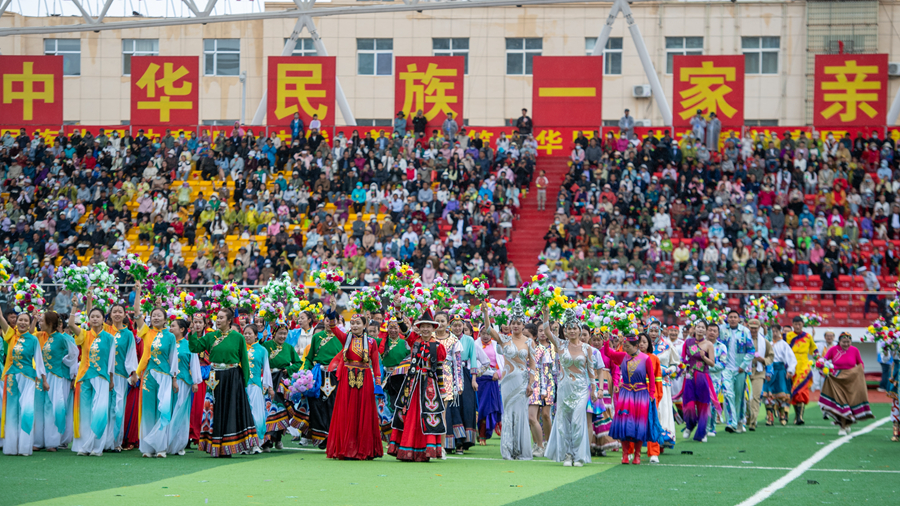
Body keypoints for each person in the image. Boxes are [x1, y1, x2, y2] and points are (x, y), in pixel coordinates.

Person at [188, 308, 259, 457]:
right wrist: (194, 332)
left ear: (229, 321)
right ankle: (215, 446)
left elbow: (244, 361)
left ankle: (229, 447)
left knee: (231, 410)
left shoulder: (238, 337)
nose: (218, 320)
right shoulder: (210, 336)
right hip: (214, 376)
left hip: (233, 377)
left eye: (221, 318)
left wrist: (244, 383)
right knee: (215, 409)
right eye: (217, 318)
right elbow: (194, 347)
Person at [324, 300, 384, 460]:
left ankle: (364, 449)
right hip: (347, 379)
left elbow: (376, 364)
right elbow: (333, 328)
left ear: (364, 325)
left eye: (358, 323)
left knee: (363, 413)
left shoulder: (371, 342)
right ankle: (346, 448)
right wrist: (332, 311)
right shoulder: (346, 338)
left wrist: (378, 383)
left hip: (365, 379)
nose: (355, 326)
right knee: (346, 413)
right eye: (353, 323)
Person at [387, 309, 447, 462]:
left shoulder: (438, 346)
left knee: (427, 416)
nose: (425, 329)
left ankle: (424, 451)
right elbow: (405, 330)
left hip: (429, 386)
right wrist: (399, 315)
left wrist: (442, 389)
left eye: (428, 326)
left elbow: (439, 369)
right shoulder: (414, 340)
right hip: (412, 384)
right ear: (419, 328)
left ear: (434, 328)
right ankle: (406, 449)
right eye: (423, 326)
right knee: (409, 414)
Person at [542, 308, 598, 467]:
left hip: (581, 389)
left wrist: (593, 388)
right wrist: (546, 314)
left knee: (577, 422)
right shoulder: (560, 344)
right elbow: (546, 331)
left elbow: (590, 369)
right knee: (563, 423)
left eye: (575, 328)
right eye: (569, 328)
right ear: (565, 331)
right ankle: (567, 454)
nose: (572, 331)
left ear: (580, 330)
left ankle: (578, 456)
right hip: (565, 388)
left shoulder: (587, 348)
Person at [486, 300, 535, 460]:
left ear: (523, 326)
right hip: (507, 382)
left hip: (522, 382)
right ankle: (507, 450)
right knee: (508, 414)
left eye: (519, 323)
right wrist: (485, 312)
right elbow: (488, 329)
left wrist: (531, 384)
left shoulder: (529, 342)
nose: (515, 326)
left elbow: (533, 365)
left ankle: (520, 450)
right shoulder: (504, 339)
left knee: (520, 414)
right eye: (513, 323)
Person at [133, 293, 180, 459]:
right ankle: (147, 447)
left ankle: (161, 447)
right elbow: (137, 312)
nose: (156, 318)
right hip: (149, 376)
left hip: (166, 376)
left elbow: (174, 358)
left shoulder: (170, 336)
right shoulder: (146, 332)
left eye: (159, 315)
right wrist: (139, 292)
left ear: (165, 319)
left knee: (163, 409)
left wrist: (174, 379)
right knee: (148, 410)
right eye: (153, 315)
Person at [70, 301, 116, 456]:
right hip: (84, 376)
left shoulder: (109, 338)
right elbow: (71, 325)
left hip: (102, 376)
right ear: (88, 319)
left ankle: (96, 447)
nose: (95, 319)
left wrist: (111, 378)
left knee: (100, 410)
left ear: (103, 319)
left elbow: (111, 361)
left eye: (98, 316)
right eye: (92, 316)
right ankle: (84, 446)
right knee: (85, 411)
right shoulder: (84, 334)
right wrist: (74, 307)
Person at [610, 332, 663, 465]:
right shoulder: (623, 356)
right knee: (624, 424)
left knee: (640, 425)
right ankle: (625, 454)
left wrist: (651, 395)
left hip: (641, 395)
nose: (624, 347)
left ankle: (637, 456)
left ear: (635, 345)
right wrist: (607, 339)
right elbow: (608, 353)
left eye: (626, 345)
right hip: (626, 393)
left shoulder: (646, 358)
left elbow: (651, 378)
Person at [1, 311, 46, 456]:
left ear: (29, 323)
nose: (22, 322)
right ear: (16, 322)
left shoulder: (33, 339)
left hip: (28, 378)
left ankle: (24, 448)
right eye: (20, 320)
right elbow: (1, 319)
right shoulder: (10, 335)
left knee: (27, 411)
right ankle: (11, 448)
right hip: (12, 377)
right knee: (12, 412)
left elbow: (39, 360)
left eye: (26, 320)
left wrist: (43, 380)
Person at [34, 311, 78, 452]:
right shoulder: (46, 338)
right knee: (40, 407)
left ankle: (52, 442)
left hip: (55, 376)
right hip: (43, 376)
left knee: (52, 408)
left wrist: (64, 364)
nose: (39, 323)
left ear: (50, 323)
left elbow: (74, 353)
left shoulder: (61, 338)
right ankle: (38, 441)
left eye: (41, 321)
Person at [301, 312, 343, 449]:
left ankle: (332, 436)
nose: (329, 322)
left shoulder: (342, 338)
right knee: (316, 405)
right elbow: (309, 358)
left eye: (333, 320)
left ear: (337, 322)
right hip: (319, 375)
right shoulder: (317, 337)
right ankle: (322, 436)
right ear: (323, 321)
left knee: (333, 405)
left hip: (336, 376)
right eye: (327, 320)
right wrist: (306, 373)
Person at [438, 312, 478, 454]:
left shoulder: (468, 340)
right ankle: (450, 442)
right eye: (454, 325)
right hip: (446, 373)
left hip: (463, 374)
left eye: (460, 325)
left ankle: (463, 440)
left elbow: (473, 358)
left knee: (464, 407)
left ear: (463, 326)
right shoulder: (447, 338)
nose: (457, 328)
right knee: (449, 409)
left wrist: (473, 379)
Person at [260, 323, 304, 451]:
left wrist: (288, 369)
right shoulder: (266, 346)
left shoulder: (289, 347)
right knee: (269, 409)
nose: (283, 336)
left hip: (282, 381)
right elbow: (256, 352)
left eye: (285, 334)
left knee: (282, 409)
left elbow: (298, 362)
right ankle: (267, 441)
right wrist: (261, 339)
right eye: (280, 333)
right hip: (269, 379)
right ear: (274, 334)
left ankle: (278, 438)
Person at [820, 332, 874, 435]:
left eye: (848, 342)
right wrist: (823, 367)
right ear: (839, 341)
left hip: (851, 380)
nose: (846, 344)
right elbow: (825, 360)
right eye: (843, 342)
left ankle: (847, 424)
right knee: (840, 404)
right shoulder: (833, 350)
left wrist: (859, 372)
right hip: (836, 380)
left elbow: (860, 363)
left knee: (849, 404)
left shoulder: (855, 350)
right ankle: (842, 426)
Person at [679, 320, 718, 442]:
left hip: (702, 377)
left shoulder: (708, 344)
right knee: (689, 404)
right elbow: (682, 358)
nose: (700, 329)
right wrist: (683, 366)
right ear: (694, 328)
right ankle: (689, 426)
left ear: (706, 331)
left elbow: (712, 363)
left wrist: (703, 357)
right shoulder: (688, 342)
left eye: (703, 327)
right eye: (698, 327)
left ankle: (702, 433)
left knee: (703, 405)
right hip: (689, 376)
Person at [106, 304, 138, 452]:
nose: (117, 314)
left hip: (119, 375)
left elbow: (131, 355)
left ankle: (115, 442)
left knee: (118, 408)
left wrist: (133, 373)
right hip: (103, 376)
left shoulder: (128, 334)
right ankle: (102, 442)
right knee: (103, 408)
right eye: (115, 312)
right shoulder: (104, 331)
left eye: (120, 312)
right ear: (110, 314)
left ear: (125, 314)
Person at [167, 318, 201, 456]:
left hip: (183, 382)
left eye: (173, 326)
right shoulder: (168, 344)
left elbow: (194, 363)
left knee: (180, 411)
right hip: (167, 381)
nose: (170, 328)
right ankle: (166, 442)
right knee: (168, 410)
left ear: (182, 329)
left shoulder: (189, 345)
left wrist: (195, 381)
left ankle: (178, 444)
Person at [718, 310, 755, 433]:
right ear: (727, 319)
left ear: (739, 319)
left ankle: (740, 421)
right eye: (730, 317)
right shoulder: (721, 330)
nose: (733, 319)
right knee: (728, 395)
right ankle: (731, 422)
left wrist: (743, 365)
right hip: (725, 369)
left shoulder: (745, 331)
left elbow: (751, 351)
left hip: (740, 369)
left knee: (739, 397)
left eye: (735, 317)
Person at [648, 318, 679, 450]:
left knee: (663, 410)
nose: (654, 333)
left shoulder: (667, 346)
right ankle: (650, 440)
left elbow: (675, 364)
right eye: (651, 331)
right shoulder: (643, 346)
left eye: (656, 331)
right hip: (647, 385)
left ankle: (662, 439)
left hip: (663, 384)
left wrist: (668, 370)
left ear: (661, 331)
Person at [242, 324, 270, 456]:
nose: (247, 336)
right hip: (241, 387)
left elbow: (266, 368)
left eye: (249, 334)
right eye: (245, 333)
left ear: (255, 335)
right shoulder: (240, 349)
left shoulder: (262, 350)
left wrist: (267, 385)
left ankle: (257, 443)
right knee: (243, 415)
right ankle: (244, 445)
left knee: (257, 415)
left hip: (256, 386)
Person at [474, 322, 503, 445]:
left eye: (488, 333)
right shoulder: (475, 344)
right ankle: (476, 432)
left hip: (492, 380)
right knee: (478, 408)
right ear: (479, 334)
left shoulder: (497, 345)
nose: (485, 336)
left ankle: (483, 435)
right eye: (483, 333)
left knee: (488, 408)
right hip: (478, 380)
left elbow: (503, 362)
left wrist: (499, 373)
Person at [786, 315, 818, 425]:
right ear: (793, 325)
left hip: (804, 366)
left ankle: (800, 417)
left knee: (802, 391)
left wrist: (819, 359)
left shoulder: (808, 337)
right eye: (795, 324)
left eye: (799, 324)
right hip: (791, 365)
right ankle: (795, 416)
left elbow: (814, 349)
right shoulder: (787, 336)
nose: (798, 326)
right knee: (794, 392)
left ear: (803, 325)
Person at [763, 325, 797, 426]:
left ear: (780, 332)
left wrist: (790, 370)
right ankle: (769, 416)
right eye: (773, 331)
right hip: (768, 369)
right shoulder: (766, 343)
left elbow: (791, 358)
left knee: (781, 394)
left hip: (780, 370)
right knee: (767, 394)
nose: (774, 333)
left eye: (776, 331)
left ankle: (782, 415)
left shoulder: (784, 344)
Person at [746, 319, 773, 431]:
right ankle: (749, 416)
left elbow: (771, 356)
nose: (753, 330)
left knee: (756, 397)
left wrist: (763, 360)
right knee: (746, 398)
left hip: (759, 371)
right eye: (751, 327)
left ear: (759, 328)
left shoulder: (764, 341)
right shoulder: (743, 340)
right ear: (748, 327)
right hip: (745, 371)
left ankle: (753, 421)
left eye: (755, 328)